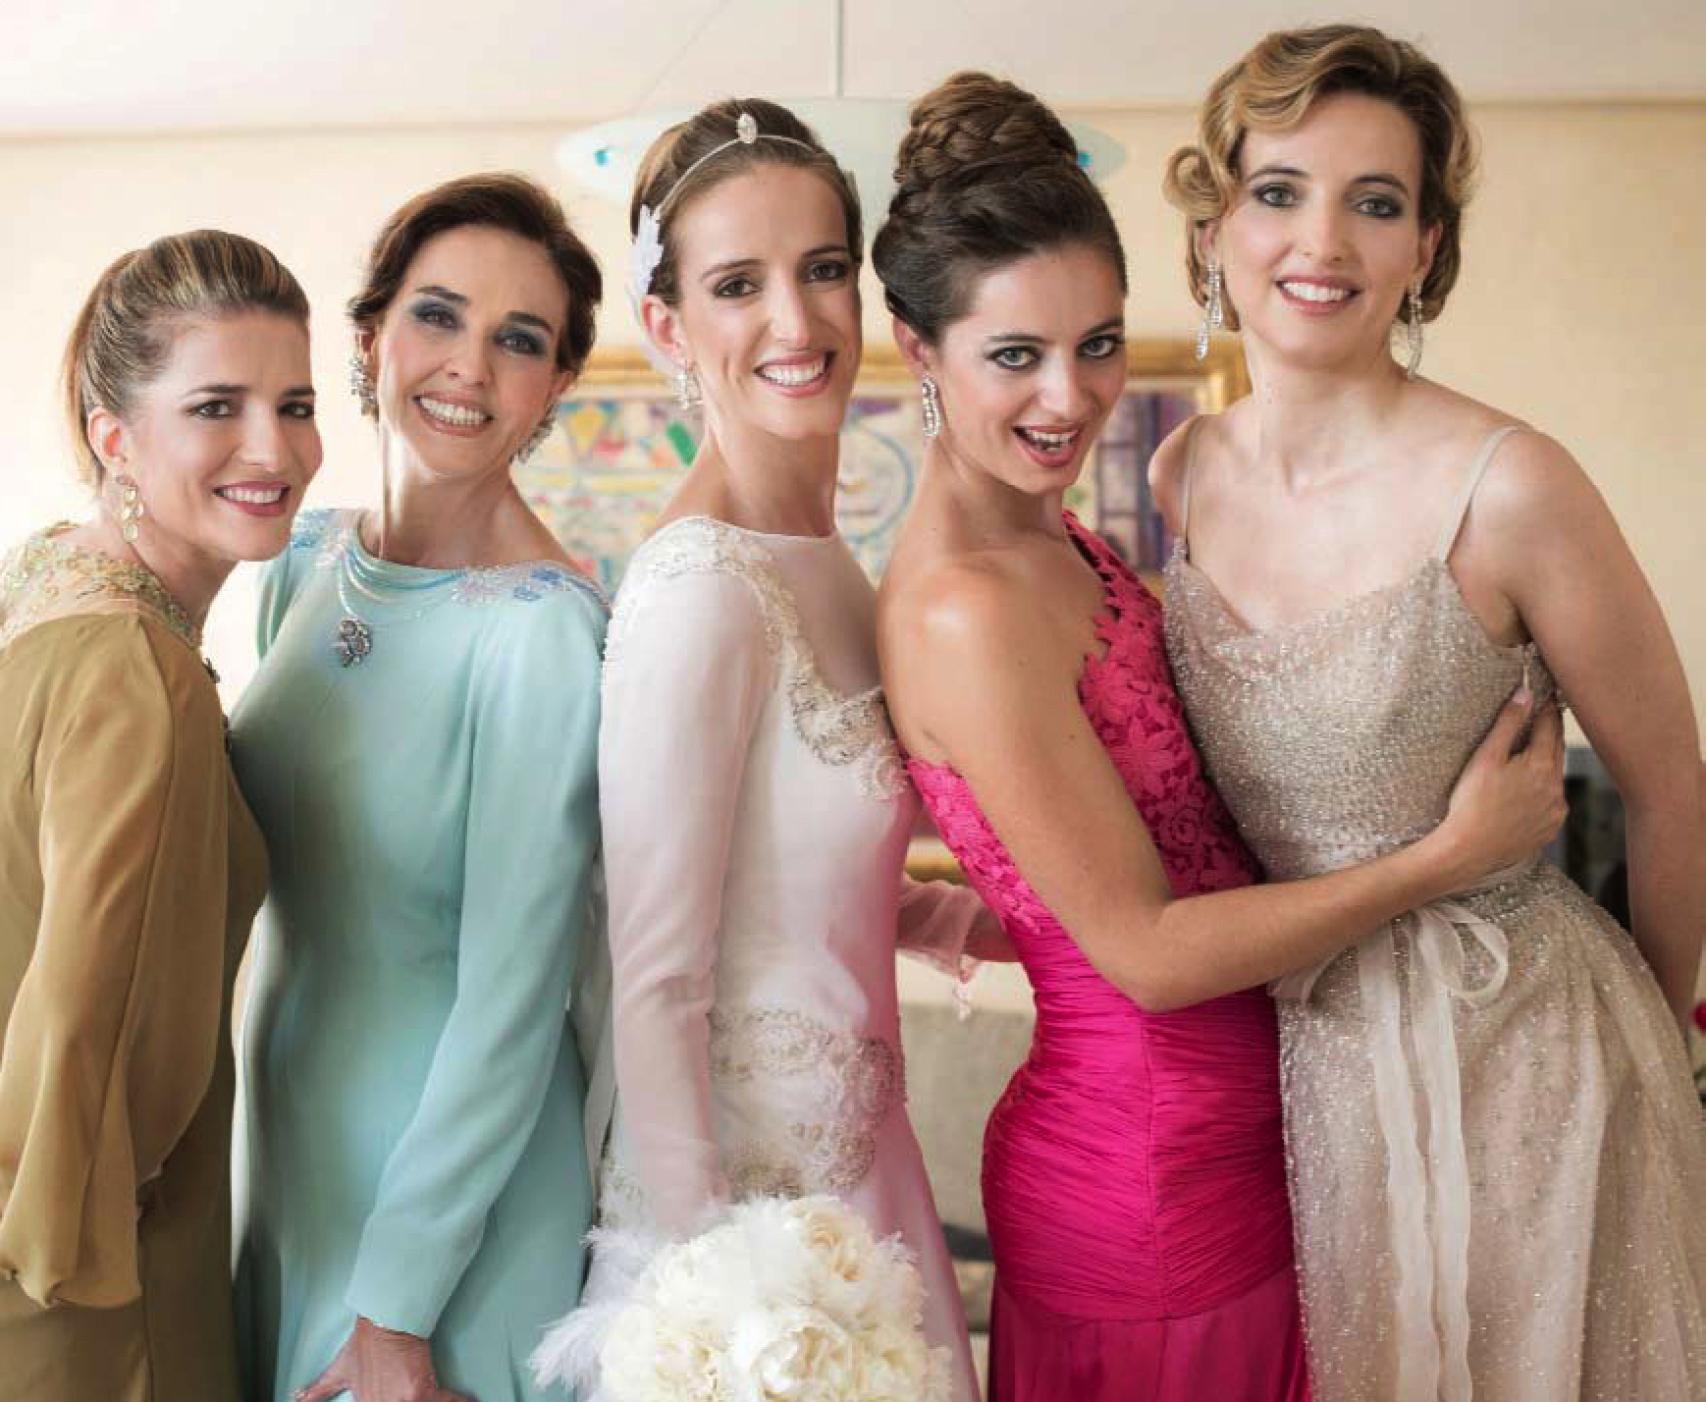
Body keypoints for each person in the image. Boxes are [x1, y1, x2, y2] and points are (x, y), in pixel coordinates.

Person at [872, 71, 1567, 1402]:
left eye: (1093, 342)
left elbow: (1111, 858)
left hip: (1252, 1127)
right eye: (1011, 356)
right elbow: (1139, 951)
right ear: (917, 348)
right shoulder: (963, 602)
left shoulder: (1049, 528)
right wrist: (1443, 856)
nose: (1067, 398)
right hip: (1145, 1171)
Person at [1157, 24, 1706, 1399]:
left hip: (1523, 1065)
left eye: (1375, 201)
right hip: (1288, 1065)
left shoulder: (1510, 483)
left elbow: (1670, 784)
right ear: (1216, 225)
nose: (1320, 239)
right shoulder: (1178, 470)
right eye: (1279, 191)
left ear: (1423, 249)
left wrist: (1642, 1051)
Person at [533, 99, 995, 1402]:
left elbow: (782, 877)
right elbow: (657, 974)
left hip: (866, 1178)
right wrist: (721, 1309)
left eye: (823, 268)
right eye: (739, 284)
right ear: (670, 327)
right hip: (748, 1234)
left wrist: (985, 917)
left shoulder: (833, 568)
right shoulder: (695, 587)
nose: (796, 324)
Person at [231, 174, 608, 1402]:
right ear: (369, 337)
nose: (469, 366)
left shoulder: (545, 633)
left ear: (553, 388)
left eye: (520, 341)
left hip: (447, 1224)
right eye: (438, 317)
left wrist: (397, 1306)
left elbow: (514, 999)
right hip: (288, 1161)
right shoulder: (299, 559)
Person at [0, 230, 320, 1402]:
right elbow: (87, 1015)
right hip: (89, 1290)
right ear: (113, 436)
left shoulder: (44, 583)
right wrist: (71, 1267)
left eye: (294, 404)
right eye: (217, 407)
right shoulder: (135, 668)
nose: (272, 448)